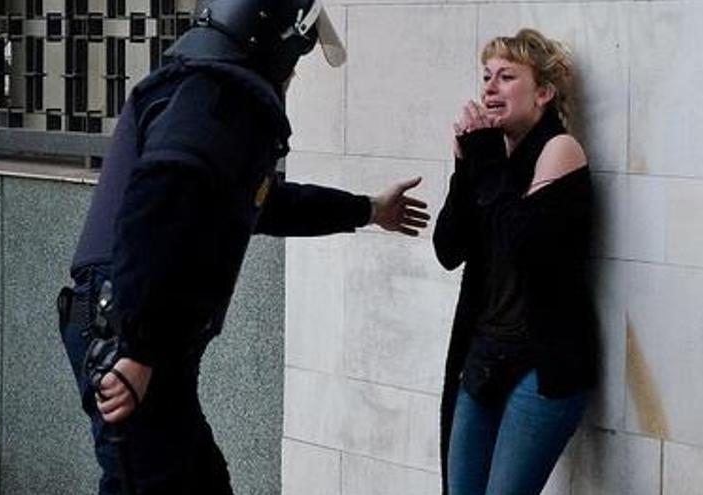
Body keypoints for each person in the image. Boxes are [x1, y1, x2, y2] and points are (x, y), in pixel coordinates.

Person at [55, 0, 430, 493]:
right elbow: (162, 199)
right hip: (125, 327)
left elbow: (261, 202)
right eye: (295, 59)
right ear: (270, 43)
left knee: (197, 481)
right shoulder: (216, 93)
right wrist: (138, 350)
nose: (293, 75)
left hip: (137, 328)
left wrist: (367, 210)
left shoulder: (205, 92)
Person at [433, 28, 598, 495]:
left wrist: (485, 166)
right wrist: (465, 171)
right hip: (483, 359)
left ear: (543, 92)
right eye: (486, 76)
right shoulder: (491, 158)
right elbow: (448, 250)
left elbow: (524, 243)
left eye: (507, 76)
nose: (489, 87)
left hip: (542, 367)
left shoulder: (559, 151)